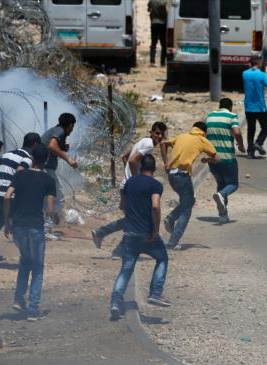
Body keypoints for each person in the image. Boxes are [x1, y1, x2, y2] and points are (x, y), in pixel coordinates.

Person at [109, 155, 169, 319]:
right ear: (154, 168)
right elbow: (155, 206)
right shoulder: (156, 185)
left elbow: (122, 205)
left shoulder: (130, 182)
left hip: (129, 233)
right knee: (162, 258)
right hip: (147, 233)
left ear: (141, 167)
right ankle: (156, 293)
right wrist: (155, 230)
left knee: (126, 270)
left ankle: (115, 302)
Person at [92, 122, 167, 254]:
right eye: (157, 133)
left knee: (131, 219)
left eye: (161, 134)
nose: (159, 136)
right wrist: (136, 179)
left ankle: (105, 236)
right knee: (136, 219)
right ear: (151, 132)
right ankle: (115, 245)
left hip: (128, 186)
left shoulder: (142, 141)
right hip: (132, 186)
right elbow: (132, 161)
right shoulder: (149, 144)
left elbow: (125, 157)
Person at [3, 144, 55, 321]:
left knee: (25, 261)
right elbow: (49, 209)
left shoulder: (19, 175)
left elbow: (7, 196)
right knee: (38, 268)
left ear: (32, 158)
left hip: (18, 226)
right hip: (35, 227)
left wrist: (6, 222)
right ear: (46, 160)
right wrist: (55, 217)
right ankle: (33, 310)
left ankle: (18, 299)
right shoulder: (48, 180)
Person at [0, 133, 40, 263]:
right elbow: (19, 172)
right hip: (6, 195)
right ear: (34, 145)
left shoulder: (8, 154)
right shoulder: (28, 158)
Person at [160, 122, 219, 250]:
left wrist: (165, 163)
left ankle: (171, 218)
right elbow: (217, 158)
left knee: (188, 202)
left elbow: (163, 144)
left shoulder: (182, 136)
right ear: (204, 131)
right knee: (187, 209)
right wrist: (207, 160)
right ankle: (173, 241)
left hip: (171, 175)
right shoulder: (202, 140)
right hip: (182, 176)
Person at [206, 99, 246, 221]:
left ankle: (223, 215)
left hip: (212, 159)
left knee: (221, 185)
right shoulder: (231, 116)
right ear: (230, 107)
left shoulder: (210, 116)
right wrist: (241, 145)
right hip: (227, 159)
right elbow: (237, 132)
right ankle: (222, 196)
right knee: (233, 184)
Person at [41, 113, 78, 237]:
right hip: (47, 170)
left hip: (43, 168)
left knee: (45, 199)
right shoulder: (60, 131)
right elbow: (51, 145)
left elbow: (51, 145)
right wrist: (69, 159)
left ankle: (42, 226)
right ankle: (46, 228)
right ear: (70, 125)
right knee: (58, 199)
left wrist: (62, 147)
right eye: (72, 127)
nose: (72, 130)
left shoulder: (55, 130)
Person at [242, 56, 267, 159]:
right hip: (260, 107)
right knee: (265, 127)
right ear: (259, 63)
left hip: (248, 106)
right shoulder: (262, 75)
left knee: (251, 129)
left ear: (250, 63)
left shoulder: (244, 74)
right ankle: (258, 142)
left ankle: (250, 152)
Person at [147, 0, 168, 66]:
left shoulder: (152, 1)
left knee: (153, 43)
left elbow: (148, 9)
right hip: (163, 24)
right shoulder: (165, 2)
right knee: (163, 45)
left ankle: (152, 61)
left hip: (154, 23)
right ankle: (162, 62)